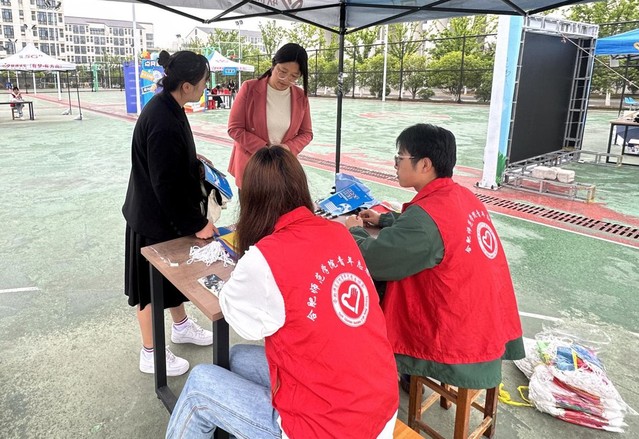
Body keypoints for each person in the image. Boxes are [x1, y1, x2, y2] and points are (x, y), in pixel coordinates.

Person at [166, 146, 399, 439]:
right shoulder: (339, 233)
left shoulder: (265, 257)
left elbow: (242, 321)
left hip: (330, 429)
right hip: (378, 405)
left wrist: (248, 266)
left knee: (199, 385)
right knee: (234, 358)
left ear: (252, 200)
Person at [344, 123, 524, 391]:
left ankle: (378, 374)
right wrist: (386, 220)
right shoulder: (461, 196)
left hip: (456, 333)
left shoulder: (425, 219)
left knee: (367, 290)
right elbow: (433, 231)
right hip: (488, 319)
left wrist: (354, 232)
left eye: (400, 158)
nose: (395, 165)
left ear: (425, 164)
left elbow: (376, 260)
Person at [122, 50, 218, 377]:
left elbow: (169, 162)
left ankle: (181, 326)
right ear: (187, 86)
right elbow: (165, 184)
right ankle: (150, 352)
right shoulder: (163, 119)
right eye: (204, 81)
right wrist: (198, 223)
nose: (206, 87)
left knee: (171, 277)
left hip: (160, 215)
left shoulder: (169, 105)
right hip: (151, 218)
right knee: (148, 290)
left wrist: (193, 161)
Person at [227, 43, 313, 190]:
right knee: (252, 205)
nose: (285, 79)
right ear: (273, 65)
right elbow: (234, 129)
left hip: (282, 168)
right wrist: (267, 150)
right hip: (252, 165)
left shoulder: (301, 96)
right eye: (282, 71)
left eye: (294, 76)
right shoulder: (249, 88)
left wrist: (287, 148)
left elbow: (306, 133)